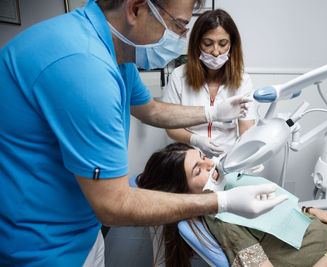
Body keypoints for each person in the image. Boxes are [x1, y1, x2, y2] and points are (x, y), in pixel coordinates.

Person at [0, 0, 288, 265]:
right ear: (136, 8)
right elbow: (113, 206)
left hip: (81, 228)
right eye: (178, 25)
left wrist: (212, 113)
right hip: (42, 246)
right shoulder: (85, 68)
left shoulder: (115, 55)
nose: (181, 37)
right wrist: (222, 202)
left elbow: (150, 109)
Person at [137, 142, 327, 267]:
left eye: (204, 157)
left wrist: (311, 211)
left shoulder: (230, 184)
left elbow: (273, 213)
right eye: (198, 170)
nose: (211, 164)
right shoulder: (225, 223)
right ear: (184, 194)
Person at [162, 9, 256, 158]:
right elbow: (171, 127)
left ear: (232, 44)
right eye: (208, 43)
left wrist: (246, 158)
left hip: (226, 161)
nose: (216, 52)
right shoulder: (179, 76)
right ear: (197, 44)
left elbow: (246, 129)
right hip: (189, 161)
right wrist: (196, 140)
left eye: (223, 43)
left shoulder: (242, 80)